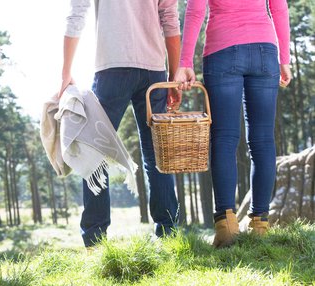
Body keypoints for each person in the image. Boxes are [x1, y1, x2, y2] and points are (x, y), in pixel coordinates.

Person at [59, 0, 182, 248]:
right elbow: (169, 17)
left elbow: (76, 13)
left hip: (112, 68)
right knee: (156, 153)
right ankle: (167, 234)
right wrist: (173, 74)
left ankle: (95, 240)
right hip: (154, 69)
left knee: (94, 151)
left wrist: (65, 73)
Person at [174, 0, 292, 248]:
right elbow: (279, 7)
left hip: (222, 49)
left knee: (224, 138)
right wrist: (284, 58)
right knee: (262, 140)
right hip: (265, 49)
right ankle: (260, 224)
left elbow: (196, 10)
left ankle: (226, 227)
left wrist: (185, 62)